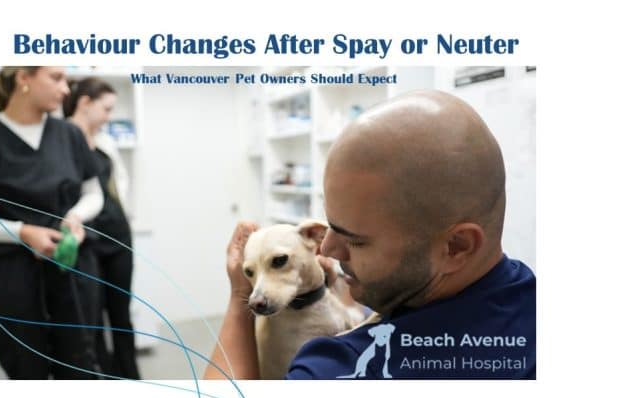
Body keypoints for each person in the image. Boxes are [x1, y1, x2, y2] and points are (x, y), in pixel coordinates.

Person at [204, 90, 536, 380]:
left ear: (456, 246)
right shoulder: (529, 298)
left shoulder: (340, 369)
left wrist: (238, 299)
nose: (328, 249)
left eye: (356, 240)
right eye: (331, 226)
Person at [0, 66, 104, 379]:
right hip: (11, 272)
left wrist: (76, 215)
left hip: (73, 267)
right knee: (27, 368)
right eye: (56, 78)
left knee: (81, 364)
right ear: (23, 77)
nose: (66, 89)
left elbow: (94, 194)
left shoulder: (69, 134)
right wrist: (22, 232)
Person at [63, 77, 141, 379]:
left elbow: (117, 185)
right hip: (87, 241)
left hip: (118, 235)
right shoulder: (61, 137)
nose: (109, 116)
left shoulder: (106, 141)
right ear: (85, 102)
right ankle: (103, 379)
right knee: (92, 318)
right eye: (106, 108)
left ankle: (131, 377)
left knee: (122, 314)